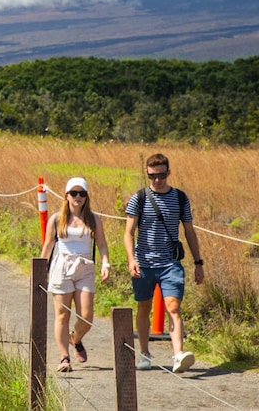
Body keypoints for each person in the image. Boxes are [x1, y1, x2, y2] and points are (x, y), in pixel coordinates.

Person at [123, 153, 204, 373]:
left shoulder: (179, 198)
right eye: (152, 176)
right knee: (143, 307)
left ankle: (178, 354)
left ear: (168, 173)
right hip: (144, 263)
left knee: (174, 307)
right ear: (147, 174)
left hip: (170, 263)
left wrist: (198, 263)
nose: (157, 180)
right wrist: (131, 260)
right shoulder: (138, 198)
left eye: (161, 175)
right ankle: (144, 353)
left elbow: (189, 231)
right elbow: (128, 233)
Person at [40, 177, 111, 373]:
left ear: (87, 196)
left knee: (86, 316)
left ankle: (76, 338)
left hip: (85, 267)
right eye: (73, 193)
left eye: (82, 193)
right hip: (61, 267)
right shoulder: (57, 219)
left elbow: (102, 244)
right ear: (66, 195)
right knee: (62, 314)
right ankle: (64, 357)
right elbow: (48, 245)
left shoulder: (94, 219)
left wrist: (105, 263)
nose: (77, 197)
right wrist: (39, 269)